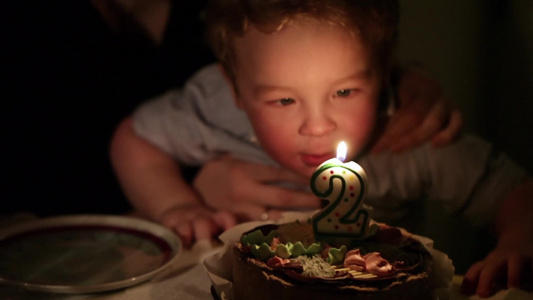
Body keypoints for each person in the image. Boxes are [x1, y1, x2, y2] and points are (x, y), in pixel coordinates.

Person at [110, 0, 532, 297]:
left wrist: (518, 239)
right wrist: (177, 206)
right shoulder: (214, 109)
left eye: (345, 91)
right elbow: (135, 139)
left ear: (384, 73)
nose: (317, 125)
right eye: (284, 100)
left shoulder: (407, 134)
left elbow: (511, 191)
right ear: (235, 87)